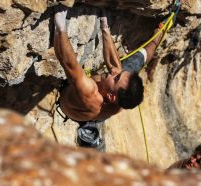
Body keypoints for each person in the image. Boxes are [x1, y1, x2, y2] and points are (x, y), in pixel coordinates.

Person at [54, 6, 165, 150]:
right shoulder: (121, 98)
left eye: (116, 78)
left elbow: (68, 62)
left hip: (77, 108)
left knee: (91, 138)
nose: (114, 71)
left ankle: (91, 144)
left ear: (112, 96)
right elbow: (115, 66)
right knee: (136, 63)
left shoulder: (89, 91)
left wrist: (60, 24)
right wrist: (105, 27)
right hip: (101, 107)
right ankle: (156, 40)